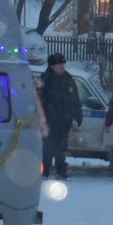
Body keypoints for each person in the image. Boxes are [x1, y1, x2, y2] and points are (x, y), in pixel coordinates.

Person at [37, 53, 81, 181]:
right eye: (59, 64)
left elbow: (75, 99)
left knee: (61, 148)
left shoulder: (68, 79)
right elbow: (38, 100)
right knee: (48, 148)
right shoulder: (45, 80)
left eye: (63, 63)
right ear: (52, 66)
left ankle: (61, 171)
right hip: (48, 120)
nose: (62, 66)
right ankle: (45, 171)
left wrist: (77, 114)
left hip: (64, 119)